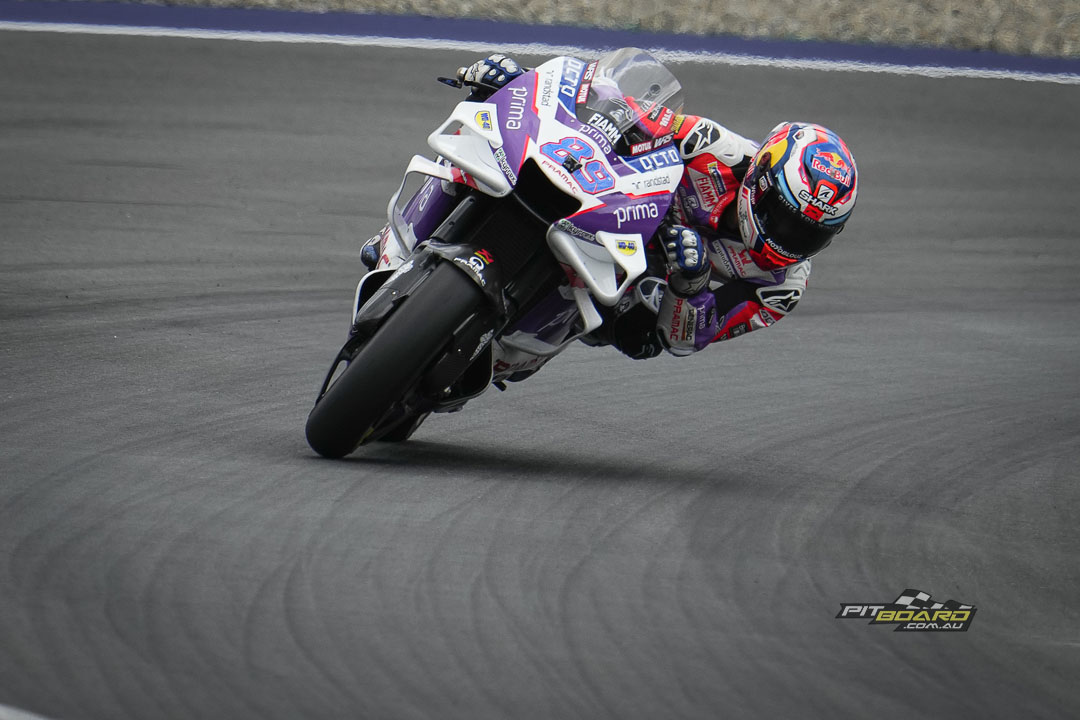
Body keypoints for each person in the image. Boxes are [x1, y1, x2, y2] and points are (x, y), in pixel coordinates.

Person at [365, 53, 859, 359]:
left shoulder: (782, 288)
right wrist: (523, 84)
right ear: (760, 179)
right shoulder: (715, 148)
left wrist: (690, 286)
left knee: (636, 335)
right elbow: (625, 110)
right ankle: (400, 240)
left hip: (640, 284)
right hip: (612, 207)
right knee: (492, 149)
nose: (788, 240)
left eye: (808, 235)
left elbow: (689, 339)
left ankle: (510, 351)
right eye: (783, 219)